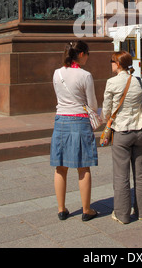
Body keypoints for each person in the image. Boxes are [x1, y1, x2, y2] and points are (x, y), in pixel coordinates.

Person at [50, 40, 98, 221]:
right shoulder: (85, 75)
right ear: (81, 54)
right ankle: (87, 210)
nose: (88, 57)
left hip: (61, 119)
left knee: (60, 167)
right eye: (87, 53)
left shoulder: (57, 73)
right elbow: (92, 104)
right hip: (79, 120)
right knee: (83, 166)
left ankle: (61, 209)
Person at [102, 51, 142, 224]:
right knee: (141, 173)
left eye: (112, 61)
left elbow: (106, 109)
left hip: (122, 132)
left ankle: (122, 214)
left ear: (118, 64)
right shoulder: (139, 81)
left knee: (121, 175)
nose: (111, 64)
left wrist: (106, 121)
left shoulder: (112, 82)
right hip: (140, 131)